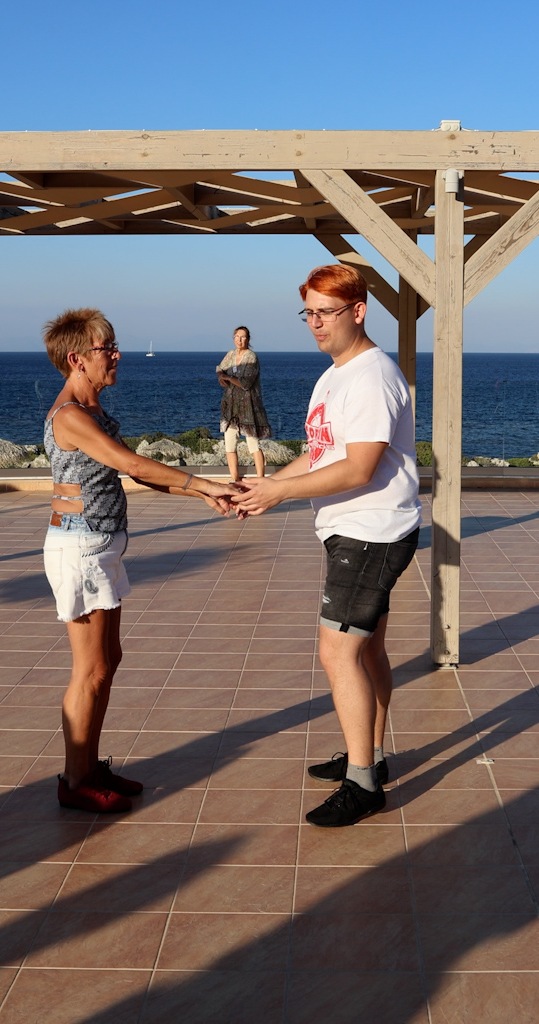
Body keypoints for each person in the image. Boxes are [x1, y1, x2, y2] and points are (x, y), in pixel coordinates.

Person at [230, 264, 420, 829]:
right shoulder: (335, 375)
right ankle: (371, 756)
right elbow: (321, 453)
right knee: (368, 650)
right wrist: (264, 488)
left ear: (358, 312)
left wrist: (279, 492)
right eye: (308, 313)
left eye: (326, 312)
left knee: (338, 653)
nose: (315, 323)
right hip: (355, 529)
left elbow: (360, 468)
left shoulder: (372, 376)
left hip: (370, 532)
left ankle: (362, 784)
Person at [40, 308, 237, 813]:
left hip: (99, 547)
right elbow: (131, 463)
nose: (117, 355)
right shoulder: (70, 417)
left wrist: (205, 494)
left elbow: (136, 474)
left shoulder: (93, 413)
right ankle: (75, 780)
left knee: (108, 662)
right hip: (80, 548)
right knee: (90, 670)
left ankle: (88, 767)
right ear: (77, 359)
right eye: (106, 348)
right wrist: (203, 482)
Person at [216, 325, 271, 483]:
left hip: (248, 408)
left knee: (253, 444)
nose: (239, 340)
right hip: (230, 407)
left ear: (248, 339)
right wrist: (221, 376)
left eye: (242, 337)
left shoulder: (251, 358)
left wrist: (228, 378)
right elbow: (220, 368)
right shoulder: (231, 355)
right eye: (236, 336)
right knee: (229, 445)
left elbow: (246, 383)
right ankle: (235, 479)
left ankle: (261, 479)